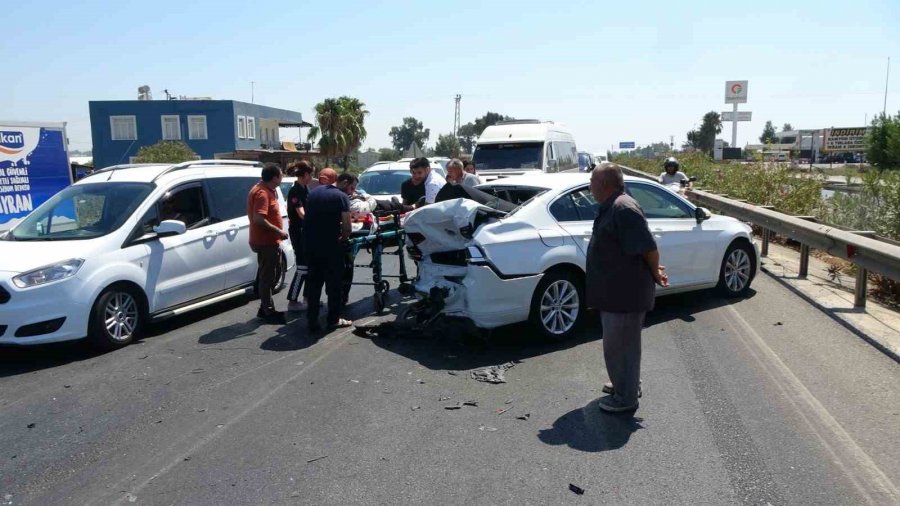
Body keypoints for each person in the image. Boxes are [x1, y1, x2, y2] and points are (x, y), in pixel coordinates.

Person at [587, 163, 668, 413]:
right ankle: (625, 384)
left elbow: (648, 248)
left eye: (592, 181)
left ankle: (626, 397)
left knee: (622, 347)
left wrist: (656, 272)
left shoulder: (623, 208)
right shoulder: (613, 206)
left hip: (625, 294)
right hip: (615, 293)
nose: (589, 186)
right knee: (621, 346)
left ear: (603, 184)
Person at [303, 169, 354, 332]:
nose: (351, 192)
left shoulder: (314, 193)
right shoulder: (341, 197)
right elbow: (347, 226)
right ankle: (333, 319)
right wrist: (344, 238)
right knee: (334, 285)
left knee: (314, 284)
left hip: (311, 244)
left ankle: (312, 320)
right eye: (351, 188)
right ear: (344, 183)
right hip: (331, 246)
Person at [246, 163, 289, 324]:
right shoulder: (262, 193)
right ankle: (267, 311)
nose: (283, 176)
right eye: (281, 174)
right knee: (267, 276)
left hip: (267, 241)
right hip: (265, 241)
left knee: (271, 274)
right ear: (275, 177)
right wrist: (278, 231)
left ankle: (266, 306)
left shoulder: (265, 190)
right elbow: (259, 219)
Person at [286, 160, 314, 312]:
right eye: (311, 174)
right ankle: (292, 300)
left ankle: (308, 299)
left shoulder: (306, 188)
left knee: (309, 267)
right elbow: (301, 213)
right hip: (299, 232)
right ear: (305, 174)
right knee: (302, 267)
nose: (312, 177)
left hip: (307, 231)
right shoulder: (295, 191)